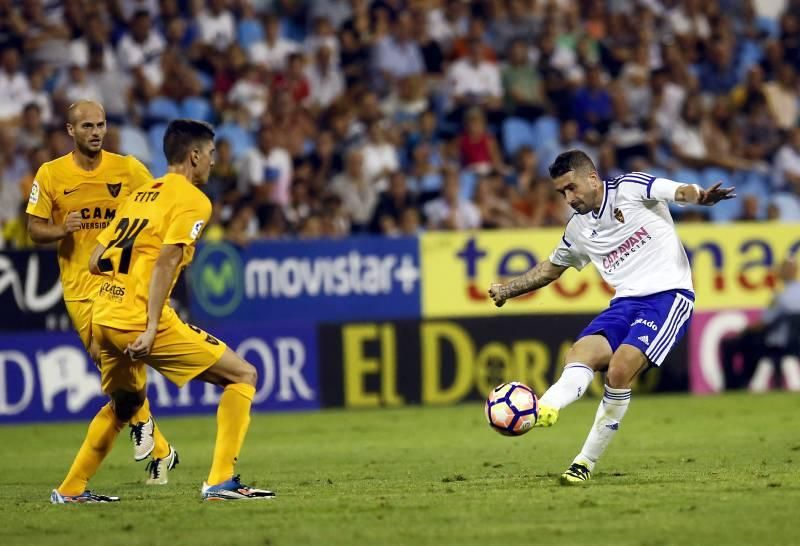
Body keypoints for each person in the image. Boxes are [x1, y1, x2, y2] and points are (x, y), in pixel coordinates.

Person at [50, 119, 275, 503]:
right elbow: (168, 261)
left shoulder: (141, 194)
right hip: (139, 319)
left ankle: (70, 490)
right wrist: (152, 325)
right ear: (194, 156)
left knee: (126, 404)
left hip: (103, 315)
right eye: (211, 155)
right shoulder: (193, 200)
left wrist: (123, 283)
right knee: (243, 375)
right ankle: (221, 481)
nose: (214, 163)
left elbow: (94, 260)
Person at [488, 150, 735, 485]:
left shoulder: (631, 188)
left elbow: (676, 191)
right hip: (624, 304)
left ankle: (584, 462)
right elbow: (549, 269)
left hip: (668, 297)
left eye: (572, 188)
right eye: (562, 193)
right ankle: (545, 408)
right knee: (579, 354)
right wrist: (507, 290)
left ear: (592, 178)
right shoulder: (577, 229)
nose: (569, 198)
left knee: (619, 370)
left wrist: (700, 196)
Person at [26, 100, 178, 485]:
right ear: (70, 131)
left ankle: (144, 431)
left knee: (112, 354)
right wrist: (63, 229)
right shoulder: (50, 174)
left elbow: (161, 203)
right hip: (79, 286)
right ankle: (160, 448)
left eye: (101, 124)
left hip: (119, 281)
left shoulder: (127, 169)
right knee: (107, 362)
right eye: (88, 126)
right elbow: (34, 229)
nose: (96, 132)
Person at [720, 258, 800, 389]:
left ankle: (736, 385)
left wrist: (745, 330)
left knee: (741, 344)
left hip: (780, 344)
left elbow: (764, 323)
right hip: (795, 343)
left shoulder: (781, 296)